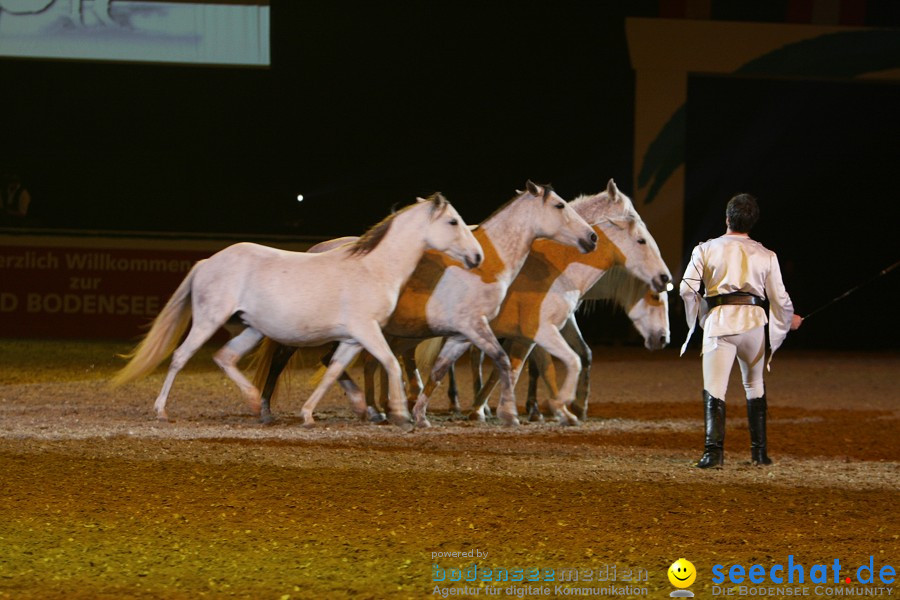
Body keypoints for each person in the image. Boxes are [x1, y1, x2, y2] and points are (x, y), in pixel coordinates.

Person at [680, 193, 803, 468]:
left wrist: (702, 314)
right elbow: (779, 298)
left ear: (727, 218)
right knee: (754, 385)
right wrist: (788, 319)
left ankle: (713, 453)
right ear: (752, 222)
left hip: (720, 322)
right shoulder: (766, 255)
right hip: (753, 325)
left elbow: (686, 289)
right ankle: (759, 454)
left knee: (715, 388)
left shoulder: (705, 249)